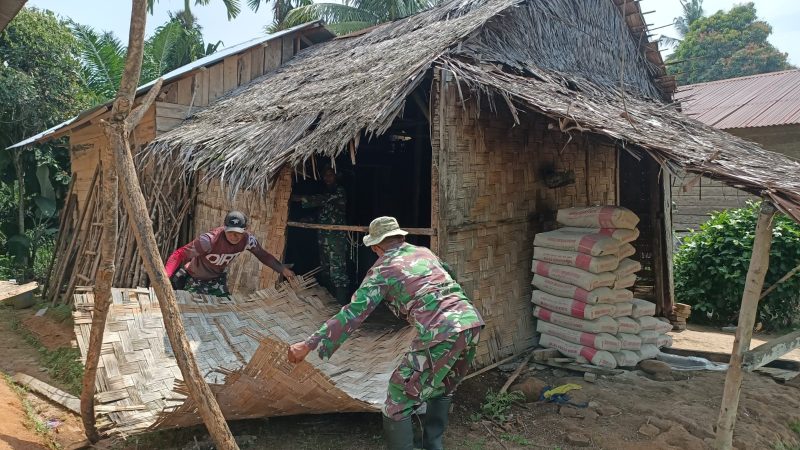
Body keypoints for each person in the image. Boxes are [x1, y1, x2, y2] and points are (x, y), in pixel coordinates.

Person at [288, 216, 484, 450]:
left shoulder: (383, 268)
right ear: (400, 237)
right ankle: (433, 446)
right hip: (471, 323)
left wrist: (309, 344)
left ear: (376, 247)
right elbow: (451, 278)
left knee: (398, 398)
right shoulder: (424, 253)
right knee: (443, 386)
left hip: (440, 332)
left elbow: (353, 313)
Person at [165, 210, 295, 296]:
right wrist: (165, 275)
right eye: (231, 232)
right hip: (195, 280)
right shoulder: (208, 241)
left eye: (239, 232)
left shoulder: (248, 240)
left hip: (217, 280)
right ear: (224, 228)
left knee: (226, 313)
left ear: (245, 230)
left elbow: (263, 255)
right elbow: (179, 254)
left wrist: (281, 269)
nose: (234, 236)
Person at [291, 166, 350, 305]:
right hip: (324, 238)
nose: (327, 178)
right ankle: (331, 302)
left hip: (335, 238)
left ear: (337, 176)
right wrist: (309, 219)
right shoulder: (327, 192)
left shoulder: (339, 192)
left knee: (337, 270)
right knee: (326, 269)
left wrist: (300, 198)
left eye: (330, 175)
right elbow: (322, 214)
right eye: (325, 175)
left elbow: (323, 200)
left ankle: (342, 304)